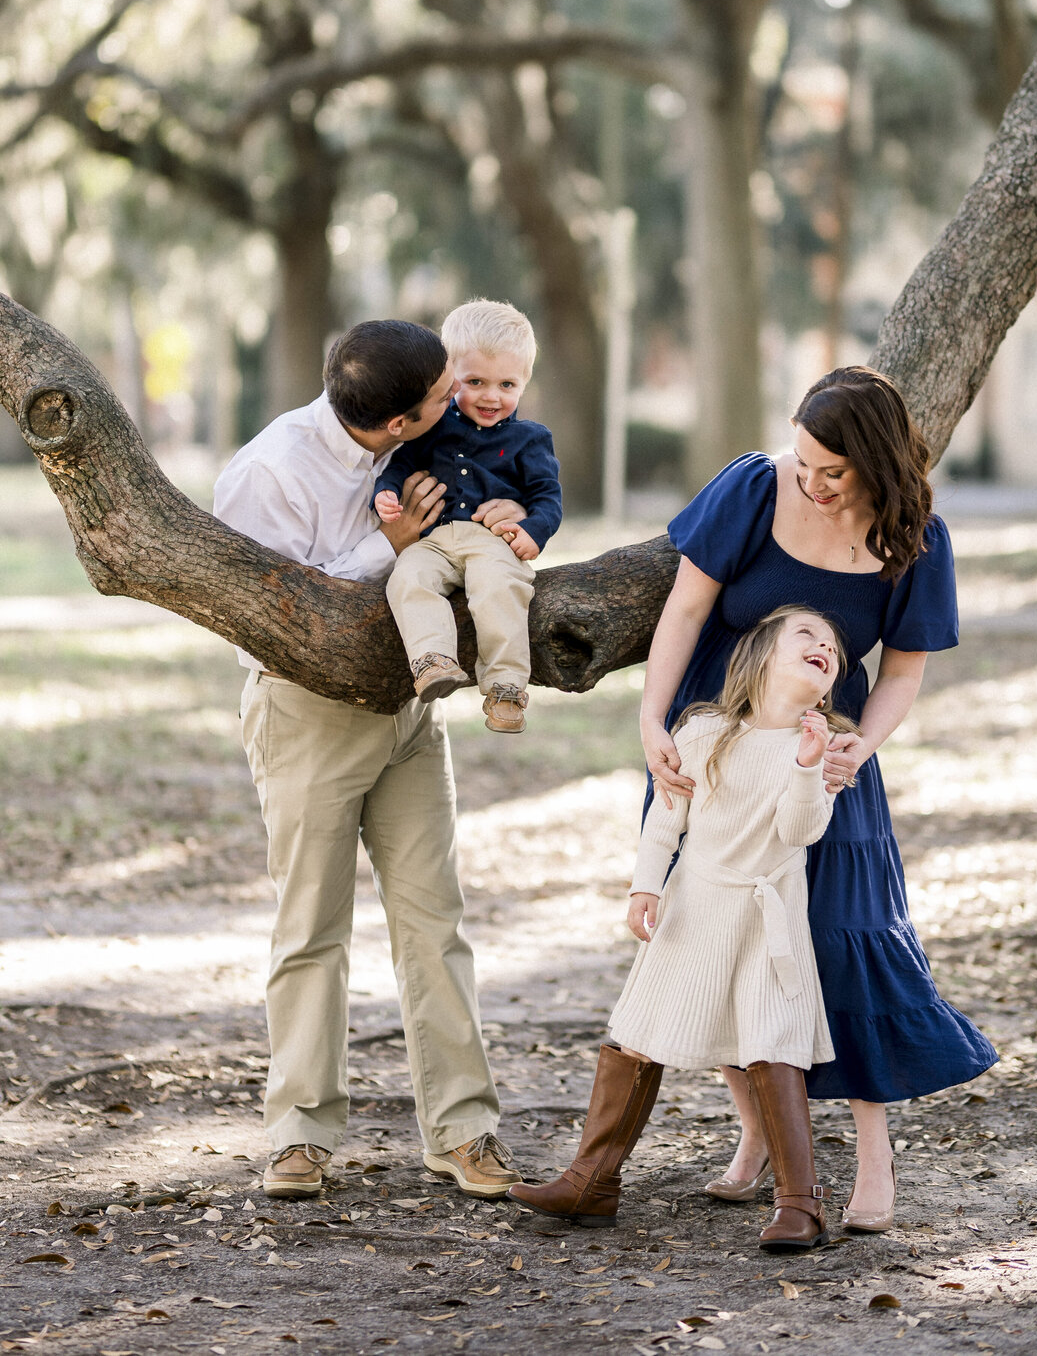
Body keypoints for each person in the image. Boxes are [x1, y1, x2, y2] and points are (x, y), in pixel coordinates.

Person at [640, 366, 997, 1233]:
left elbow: (904, 672)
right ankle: (758, 1134)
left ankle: (874, 1158)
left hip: (825, 757)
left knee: (839, 940)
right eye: (802, 457)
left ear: (875, 464)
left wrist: (856, 748)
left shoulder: (917, 538)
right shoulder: (754, 487)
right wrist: (651, 724)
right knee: (717, 932)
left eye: (829, 469)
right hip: (717, 741)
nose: (809, 479)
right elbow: (686, 610)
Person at [213, 319, 523, 1201]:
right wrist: (384, 549)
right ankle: (297, 1133)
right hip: (306, 715)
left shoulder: (442, 440)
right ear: (396, 425)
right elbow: (271, 607)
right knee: (311, 926)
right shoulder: (272, 471)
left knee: (436, 922)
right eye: (440, 396)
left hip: (410, 713)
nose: (456, 400)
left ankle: (464, 1130)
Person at [509, 606, 850, 1251]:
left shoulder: (818, 746)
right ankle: (592, 1180)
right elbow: (668, 817)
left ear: (828, 683)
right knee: (637, 1033)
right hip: (695, 904)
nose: (823, 645)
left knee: (771, 1042)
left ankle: (800, 1204)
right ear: (761, 659)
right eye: (806, 635)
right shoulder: (704, 732)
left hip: (764, 917)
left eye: (831, 644)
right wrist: (645, 884)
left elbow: (801, 832)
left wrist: (807, 766)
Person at [373, 300, 562, 735]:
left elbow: (547, 498)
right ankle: (432, 659)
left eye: (507, 384)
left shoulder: (531, 440)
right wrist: (384, 492)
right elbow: (399, 465)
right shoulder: (434, 426)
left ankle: (505, 687)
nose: (491, 396)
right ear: (450, 377)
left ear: (524, 382)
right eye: (475, 381)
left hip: (491, 542)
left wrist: (534, 530)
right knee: (408, 579)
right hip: (433, 541)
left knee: (500, 589)